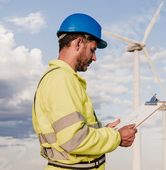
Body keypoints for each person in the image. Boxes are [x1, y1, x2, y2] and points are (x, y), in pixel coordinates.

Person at [32, 13, 137, 169]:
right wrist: (117, 137)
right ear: (79, 43)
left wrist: (104, 131)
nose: (94, 58)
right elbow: (75, 140)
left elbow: (73, 132)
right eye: (93, 50)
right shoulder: (62, 79)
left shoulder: (62, 78)